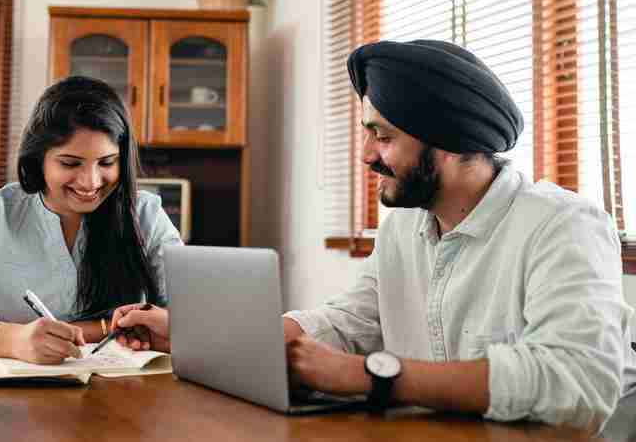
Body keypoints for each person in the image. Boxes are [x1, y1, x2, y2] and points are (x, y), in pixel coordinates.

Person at [110, 40, 636, 431]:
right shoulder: (406, 224)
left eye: (384, 137)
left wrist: (370, 376)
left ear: (450, 144)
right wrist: (203, 332)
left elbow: (579, 384)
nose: (366, 156)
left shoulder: (563, 226)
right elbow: (349, 323)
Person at [0, 75, 182, 364]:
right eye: (70, 163)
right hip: (11, 403)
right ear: (38, 158)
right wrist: (9, 340)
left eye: (107, 162)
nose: (91, 182)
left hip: (129, 398)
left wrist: (168, 326)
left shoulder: (145, 214)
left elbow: (197, 321)